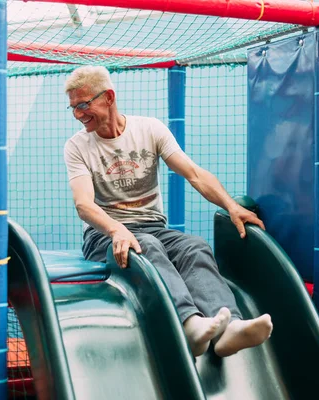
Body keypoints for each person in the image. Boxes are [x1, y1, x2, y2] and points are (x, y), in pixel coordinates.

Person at [62, 65, 273, 358]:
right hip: (105, 236)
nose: (78, 114)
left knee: (194, 246)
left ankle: (230, 330)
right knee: (147, 246)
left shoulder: (149, 129)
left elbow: (194, 174)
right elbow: (84, 204)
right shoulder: (77, 147)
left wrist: (231, 206)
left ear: (108, 97)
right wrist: (117, 229)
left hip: (153, 227)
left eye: (84, 104)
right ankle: (189, 325)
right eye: (73, 107)